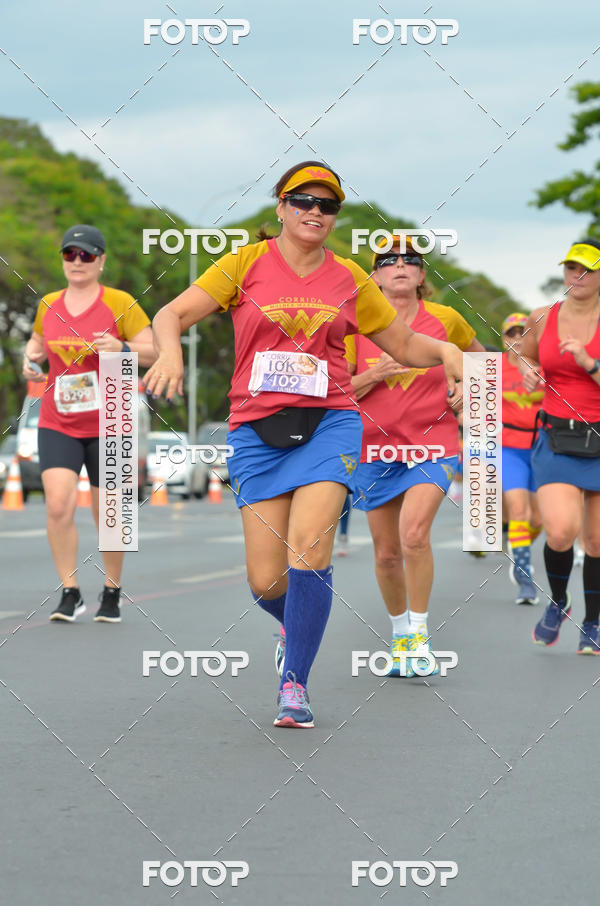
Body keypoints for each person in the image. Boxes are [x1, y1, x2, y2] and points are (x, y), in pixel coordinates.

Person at [144, 161, 463, 727]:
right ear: (281, 208)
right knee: (266, 579)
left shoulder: (349, 279)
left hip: (331, 423)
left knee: (310, 551)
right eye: (303, 201)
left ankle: (295, 683)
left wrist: (449, 355)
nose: (315, 212)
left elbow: (405, 343)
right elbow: (172, 313)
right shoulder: (245, 263)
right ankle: (295, 624)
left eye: (328, 205)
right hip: (256, 431)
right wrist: (169, 351)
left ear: (336, 217)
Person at [345, 238, 484, 677]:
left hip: (433, 445)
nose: (400, 266)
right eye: (388, 261)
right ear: (375, 276)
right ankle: (401, 632)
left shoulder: (446, 321)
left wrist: (469, 392)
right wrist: (375, 372)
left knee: (413, 535)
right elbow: (336, 392)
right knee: (386, 553)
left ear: (422, 276)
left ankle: (420, 635)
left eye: (410, 261)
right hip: (374, 448)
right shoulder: (355, 325)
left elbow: (483, 363)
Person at [23, 225, 156, 623]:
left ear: (100, 261)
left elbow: (154, 351)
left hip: (111, 417)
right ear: (62, 259)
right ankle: (70, 591)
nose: (77, 262)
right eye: (70, 254)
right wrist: (29, 356)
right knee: (59, 504)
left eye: (86, 255)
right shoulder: (48, 304)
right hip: (58, 417)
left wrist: (124, 347)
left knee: (111, 512)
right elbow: (35, 344)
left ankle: (112, 591)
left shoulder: (120, 302)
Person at [520, 239, 600, 653]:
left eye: (587, 269)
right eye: (572, 268)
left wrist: (590, 363)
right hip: (557, 436)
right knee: (560, 531)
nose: (578, 277)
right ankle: (559, 601)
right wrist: (530, 371)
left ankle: (594, 623)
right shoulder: (542, 317)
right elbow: (525, 355)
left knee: (598, 541)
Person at [500, 313, 544, 604]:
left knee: (541, 519)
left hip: (543, 448)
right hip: (507, 447)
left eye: (522, 334)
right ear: (503, 339)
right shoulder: (493, 369)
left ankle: (519, 547)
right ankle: (525, 576)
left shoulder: (545, 369)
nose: (516, 340)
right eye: (510, 334)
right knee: (519, 511)